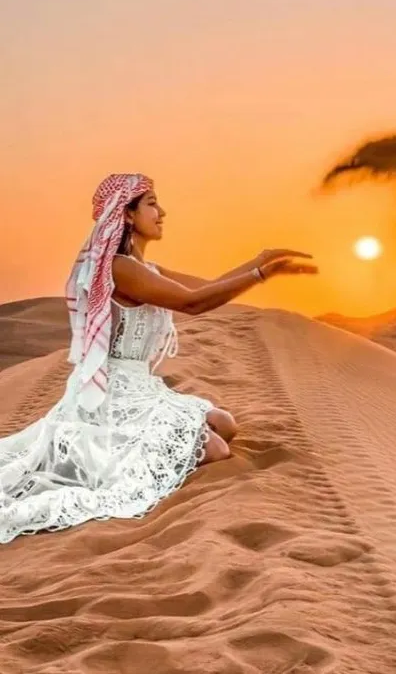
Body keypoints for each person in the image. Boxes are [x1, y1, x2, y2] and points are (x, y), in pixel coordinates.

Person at [0, 173, 316, 543]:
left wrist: (257, 262)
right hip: (112, 395)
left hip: (142, 388)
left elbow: (204, 288)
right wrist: (261, 274)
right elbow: (193, 303)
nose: (161, 211)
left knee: (224, 424)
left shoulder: (146, 270)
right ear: (128, 214)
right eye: (151, 202)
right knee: (214, 447)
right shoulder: (120, 268)